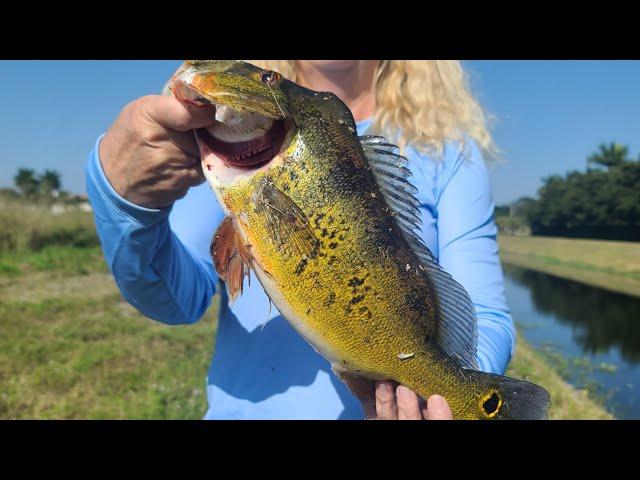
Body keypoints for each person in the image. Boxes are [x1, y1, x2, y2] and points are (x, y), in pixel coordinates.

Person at [86, 60, 514, 420]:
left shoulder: (449, 150)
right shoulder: (220, 133)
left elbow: (486, 317)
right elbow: (178, 299)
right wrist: (126, 202)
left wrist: (440, 399)